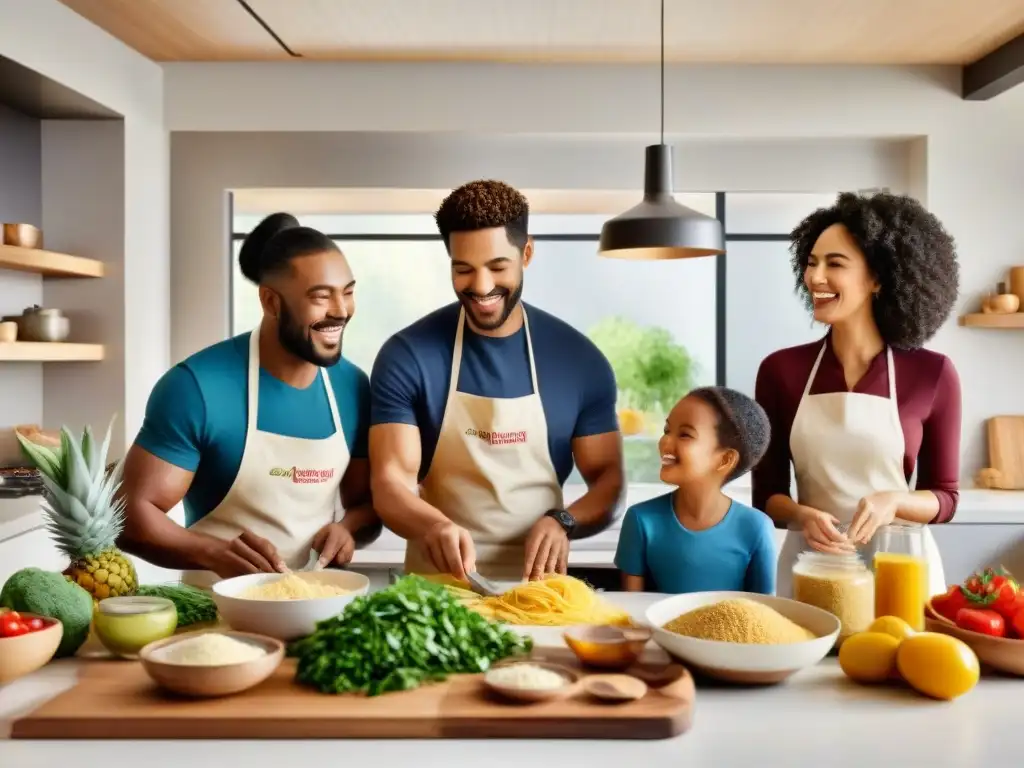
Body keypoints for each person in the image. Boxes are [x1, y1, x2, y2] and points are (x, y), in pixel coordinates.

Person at [369, 180, 625, 582]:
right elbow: (389, 484)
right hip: (437, 594)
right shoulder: (408, 355)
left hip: (539, 592)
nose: (482, 286)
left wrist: (564, 521)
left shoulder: (579, 360)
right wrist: (432, 526)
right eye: (463, 269)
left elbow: (609, 480)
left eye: (497, 267)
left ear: (527, 253)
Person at [117, 213, 381, 588]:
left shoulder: (353, 386)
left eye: (348, 292)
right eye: (321, 296)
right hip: (214, 615)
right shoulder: (196, 387)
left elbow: (366, 505)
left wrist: (348, 530)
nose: (340, 310)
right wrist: (213, 554)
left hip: (314, 607)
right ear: (271, 302)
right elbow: (130, 515)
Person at [753, 191, 961, 599]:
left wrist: (894, 502)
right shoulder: (781, 371)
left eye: (835, 263)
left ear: (878, 278)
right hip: (813, 561)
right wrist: (800, 514)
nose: (815, 277)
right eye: (811, 263)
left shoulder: (932, 373)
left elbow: (946, 497)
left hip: (900, 565)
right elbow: (767, 496)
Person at [615, 387, 776, 594]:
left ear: (725, 459)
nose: (665, 441)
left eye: (685, 434)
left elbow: (764, 614)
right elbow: (631, 612)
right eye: (667, 430)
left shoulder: (756, 528)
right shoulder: (640, 520)